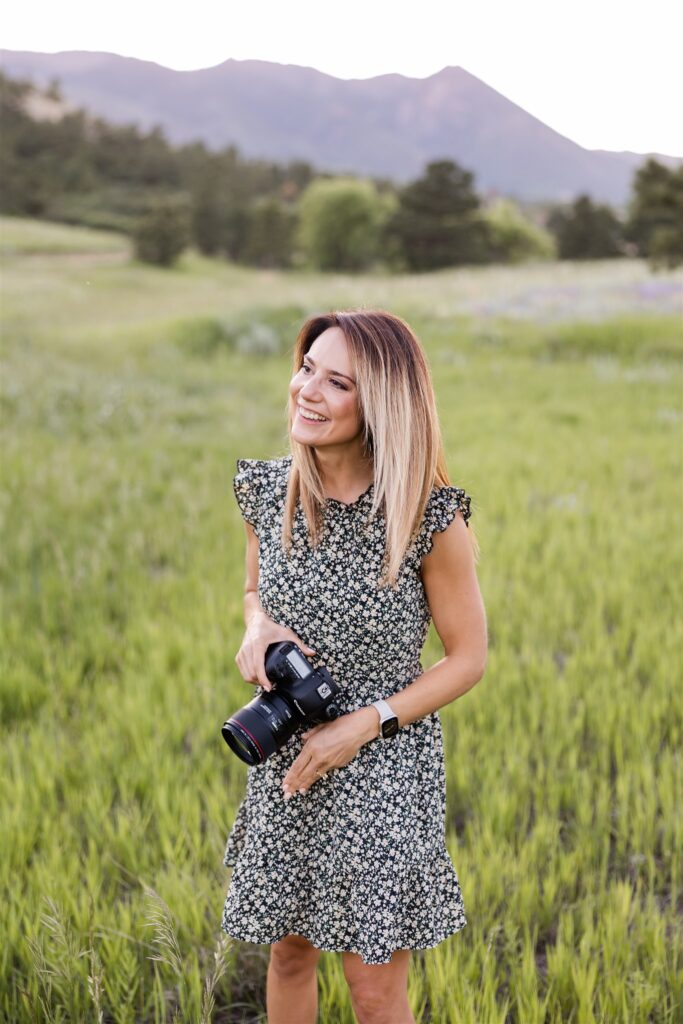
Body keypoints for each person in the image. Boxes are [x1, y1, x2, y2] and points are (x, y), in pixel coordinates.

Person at [221, 309, 488, 1024]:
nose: (306, 389)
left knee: (372, 991)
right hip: (289, 749)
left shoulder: (426, 516)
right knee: (287, 954)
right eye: (307, 366)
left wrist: (361, 726)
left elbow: (467, 659)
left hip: (383, 760)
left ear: (380, 405)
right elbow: (253, 590)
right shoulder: (263, 491)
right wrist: (255, 625)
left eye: (336, 381)